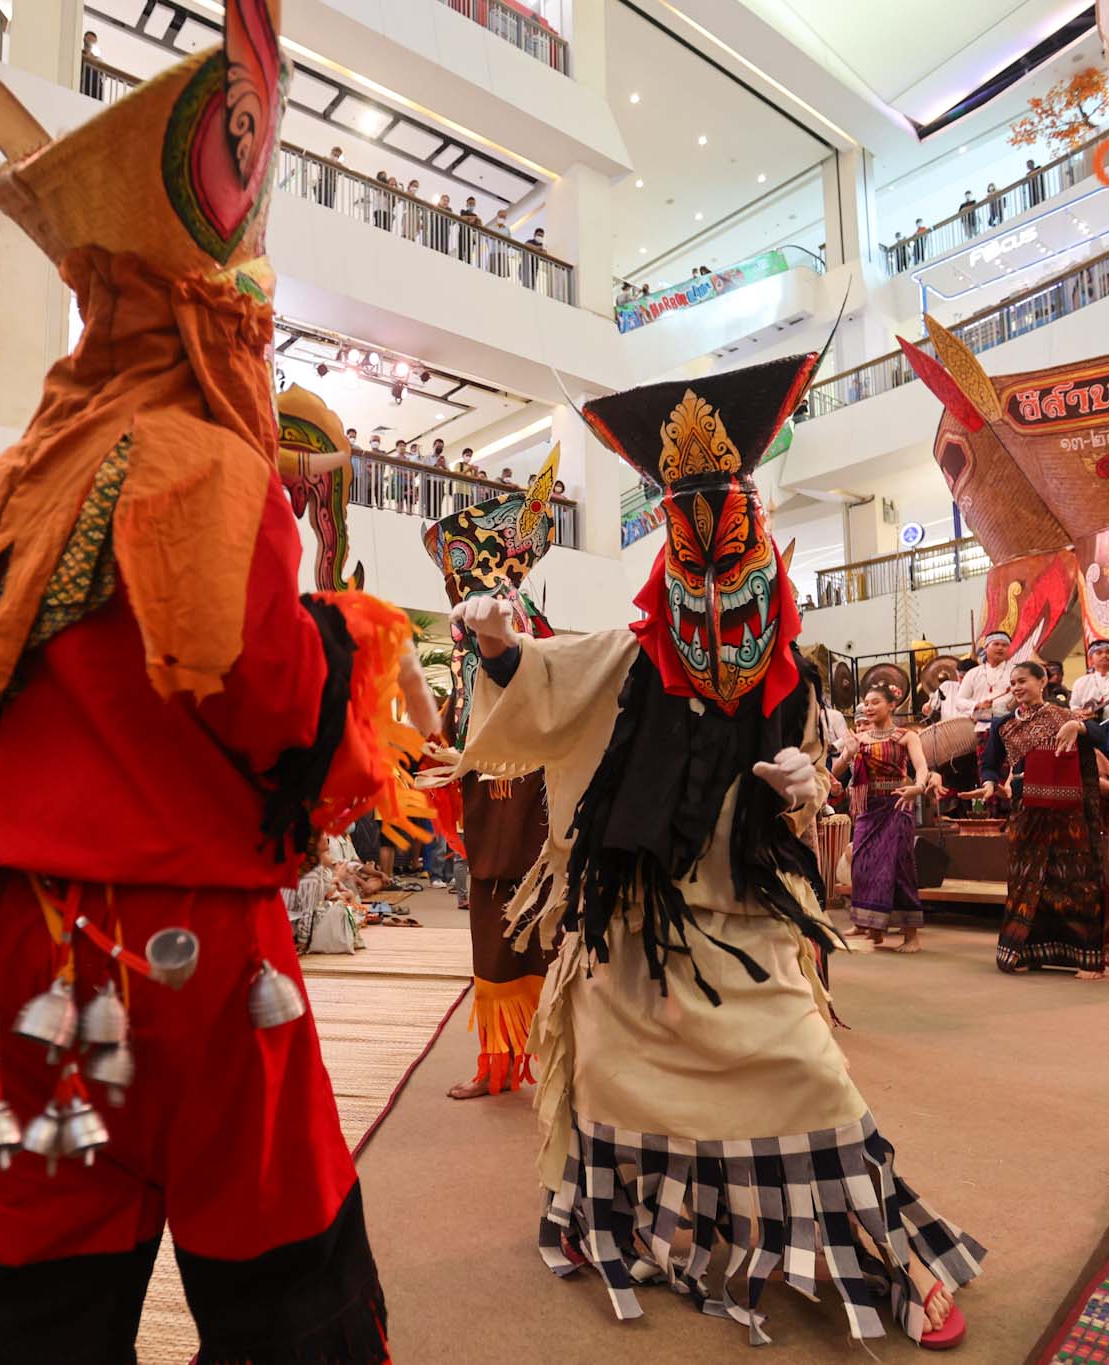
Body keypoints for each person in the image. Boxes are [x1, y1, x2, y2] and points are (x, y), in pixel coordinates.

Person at [0, 30, 439, 1359]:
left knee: (34, 1293)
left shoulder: (27, 470)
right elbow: (273, 700)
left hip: (1, 938)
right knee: (282, 1274)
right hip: (186, 944)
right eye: (254, 317)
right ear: (210, 313)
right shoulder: (205, 462)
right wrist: (352, 636)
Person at [451, 358, 981, 1349]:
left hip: (743, 920)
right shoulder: (626, 654)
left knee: (806, 1074)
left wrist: (806, 789)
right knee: (614, 1085)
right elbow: (546, 684)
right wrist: (494, 648)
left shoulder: (790, 674)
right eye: (685, 534)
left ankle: (882, 1256)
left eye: (723, 529)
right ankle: (605, 1218)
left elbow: (815, 772)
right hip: (632, 921)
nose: (705, 560)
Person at [424, 455, 561, 1100]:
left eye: (455, 570)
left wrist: (497, 639)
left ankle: (557, 1060)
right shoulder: (463, 634)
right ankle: (498, 1064)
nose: (452, 586)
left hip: (532, 799)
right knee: (490, 932)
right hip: (485, 796)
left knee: (545, 929)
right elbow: (462, 717)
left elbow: (533, 685)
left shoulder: (516, 622)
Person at [976, 661, 1109, 979]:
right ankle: (1025, 951)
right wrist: (989, 784)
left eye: (1023, 680)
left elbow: (1102, 737)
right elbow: (990, 764)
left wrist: (1079, 727)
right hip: (1026, 811)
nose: (1016, 687)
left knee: (1075, 880)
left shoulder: (1063, 716)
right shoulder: (1002, 725)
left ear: (1043, 682)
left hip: (1067, 813)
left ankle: (1086, 958)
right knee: (1025, 879)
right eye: (1012, 682)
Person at [835, 683, 935, 951]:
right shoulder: (861, 739)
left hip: (898, 803)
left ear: (892, 705)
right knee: (862, 865)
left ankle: (911, 935)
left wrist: (919, 786)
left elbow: (922, 767)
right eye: (865, 703)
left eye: (875, 702)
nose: (868, 707)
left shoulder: (905, 737)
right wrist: (849, 753)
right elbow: (835, 771)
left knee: (899, 866)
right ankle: (869, 925)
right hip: (867, 808)